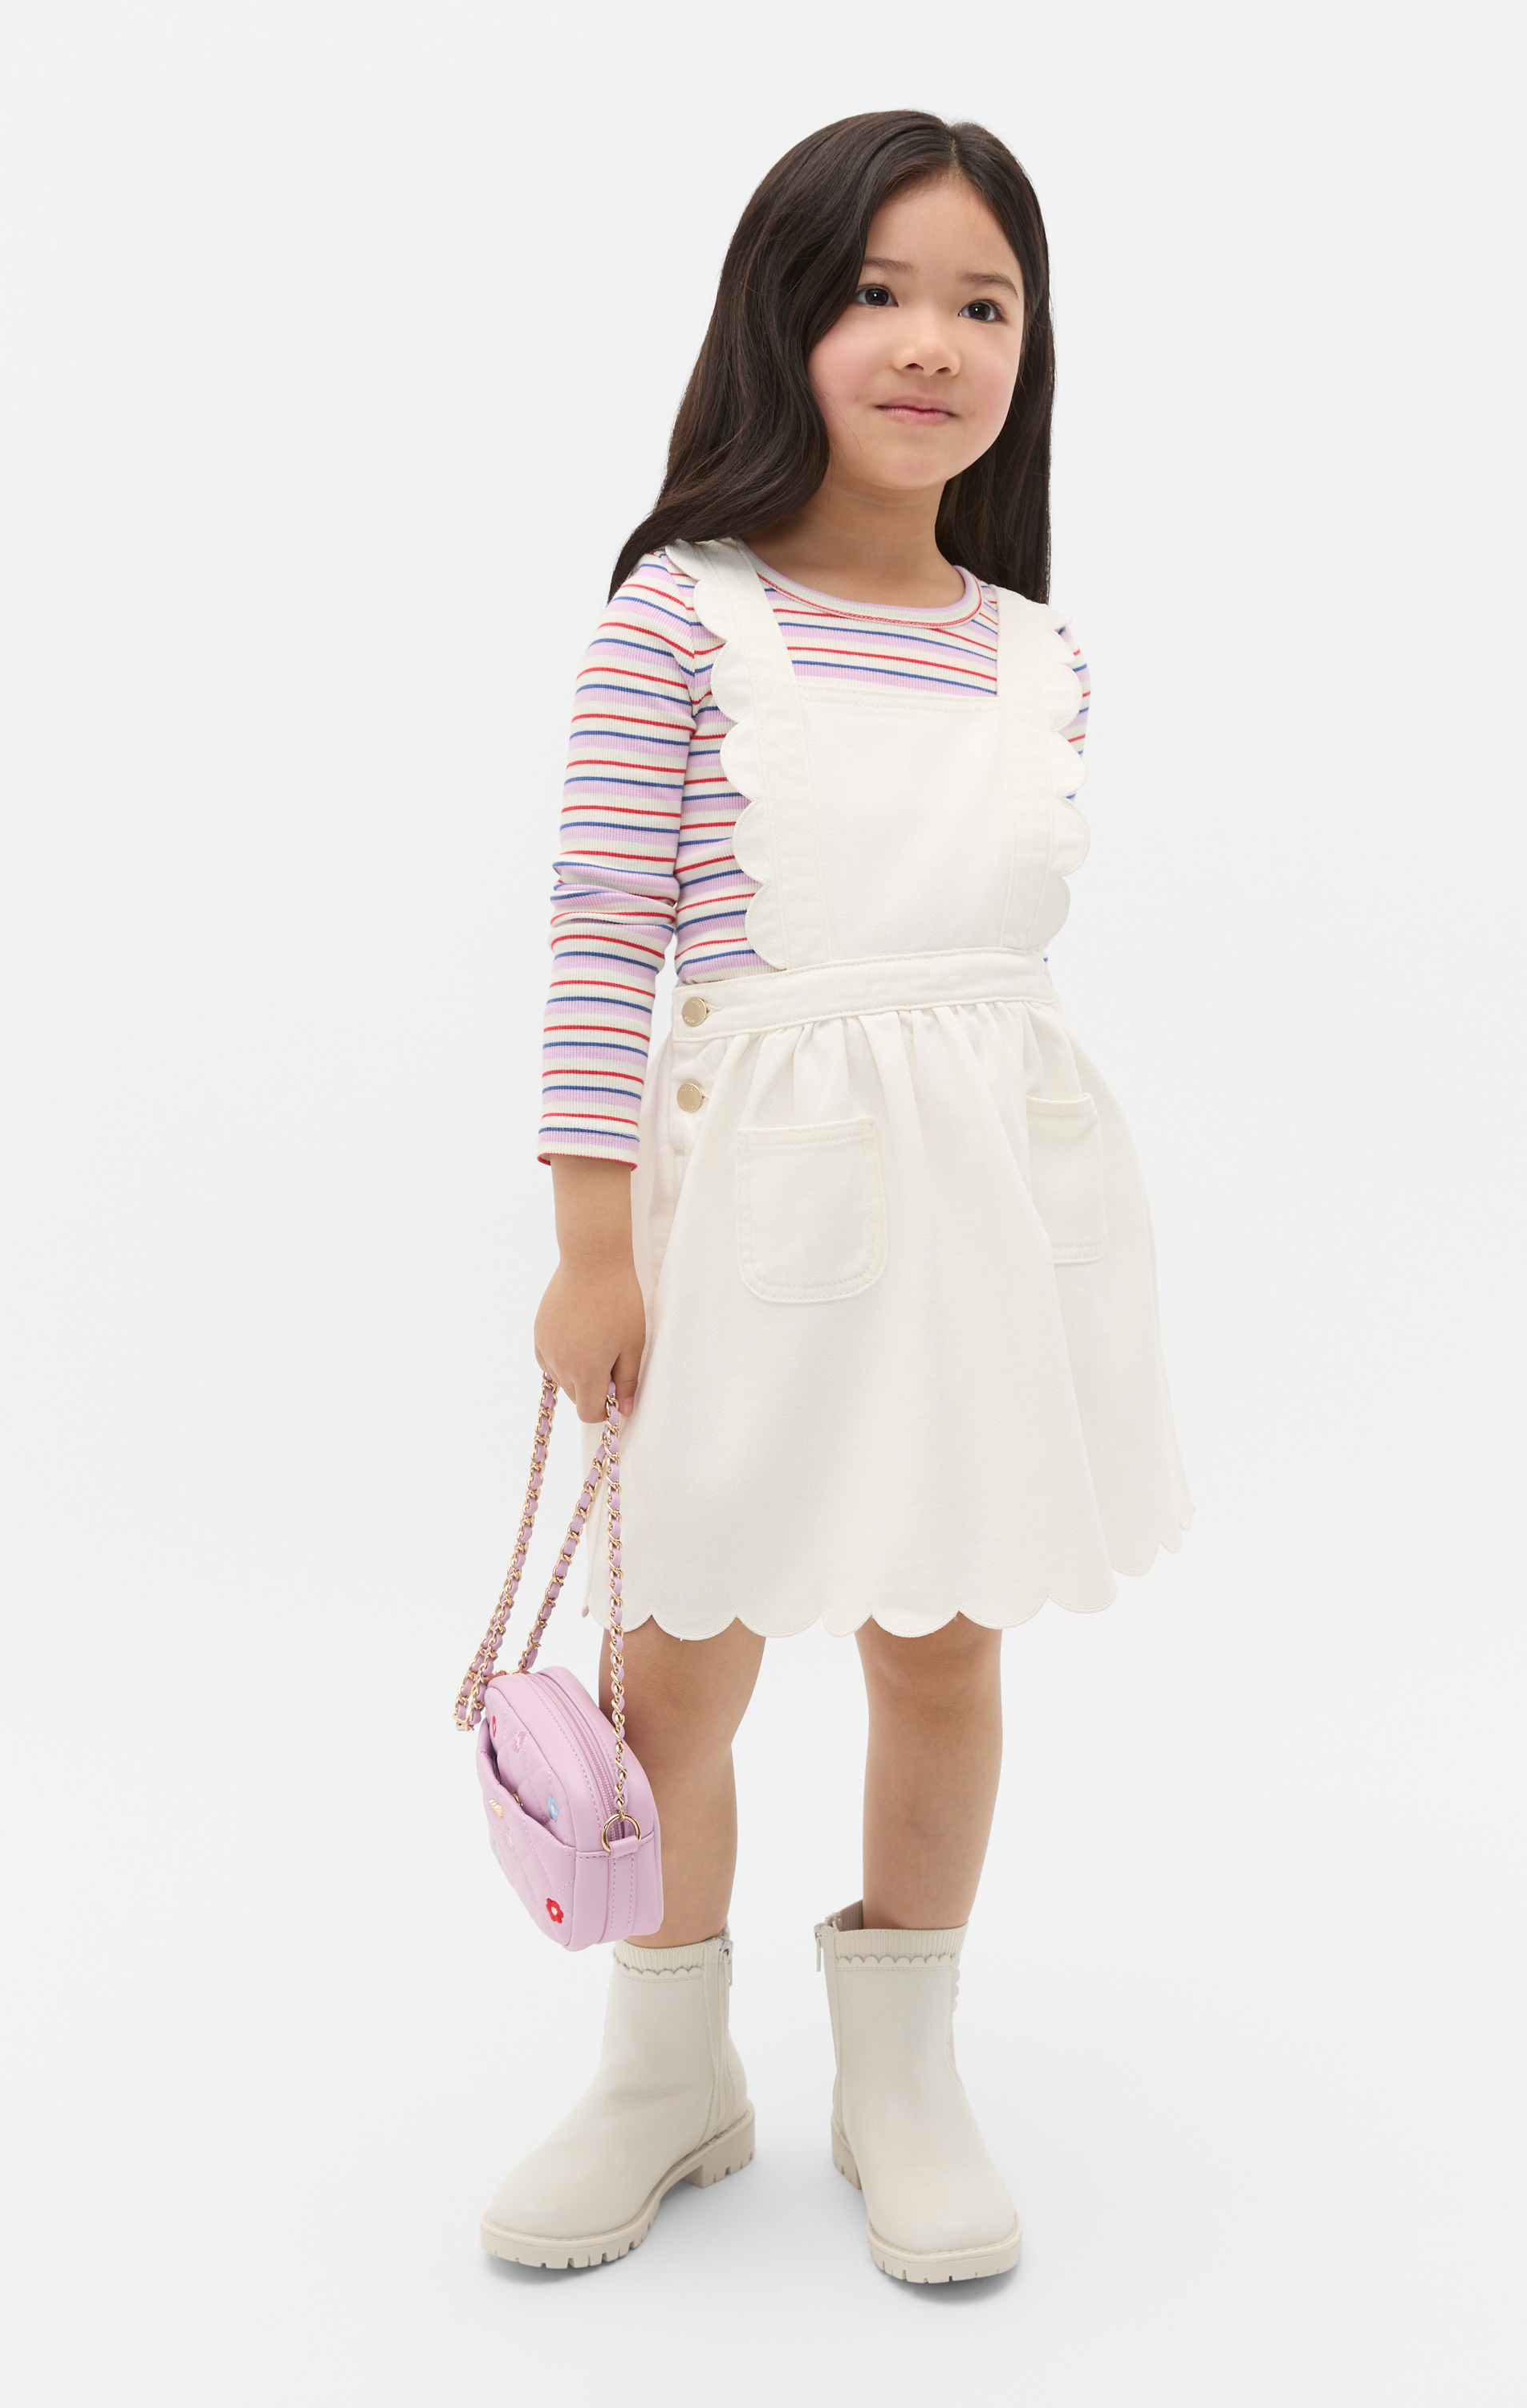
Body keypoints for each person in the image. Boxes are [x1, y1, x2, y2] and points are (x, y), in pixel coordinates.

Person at [481, 108, 1193, 2284]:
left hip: (990, 1227)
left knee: (943, 1644)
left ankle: (905, 2072)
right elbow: (604, 938)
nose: (931, 342)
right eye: (878, 293)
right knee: (678, 1669)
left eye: (984, 303)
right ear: (782, 320)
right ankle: (665, 2070)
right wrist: (588, 1244)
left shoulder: (1037, 654)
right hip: (758, 1231)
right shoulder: (679, 626)